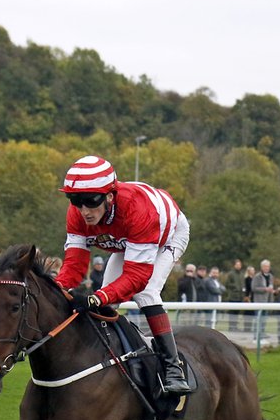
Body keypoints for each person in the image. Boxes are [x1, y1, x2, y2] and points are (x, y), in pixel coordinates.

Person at [54, 154, 193, 394]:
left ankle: (173, 368)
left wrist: (99, 297)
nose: (84, 210)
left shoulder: (138, 210)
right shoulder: (76, 214)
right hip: (129, 241)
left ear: (109, 195)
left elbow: (137, 276)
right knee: (108, 302)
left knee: (145, 292)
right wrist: (56, 289)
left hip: (167, 235)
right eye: (75, 200)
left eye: (90, 200)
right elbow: (74, 266)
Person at [222, 259, 244, 331]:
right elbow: (227, 284)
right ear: (234, 265)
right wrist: (235, 287)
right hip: (233, 296)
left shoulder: (241, 274)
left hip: (240, 296)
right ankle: (231, 326)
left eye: (240, 265)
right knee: (232, 313)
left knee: (237, 313)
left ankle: (235, 326)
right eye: (237, 265)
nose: (239, 266)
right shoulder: (231, 274)